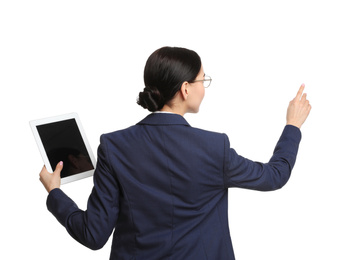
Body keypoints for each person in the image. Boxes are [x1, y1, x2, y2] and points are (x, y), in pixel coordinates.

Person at [39, 46, 311, 260]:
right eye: (203, 80)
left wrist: (55, 193)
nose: (204, 86)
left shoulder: (113, 146)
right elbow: (275, 176)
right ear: (185, 88)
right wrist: (292, 126)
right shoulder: (215, 148)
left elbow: (93, 234)